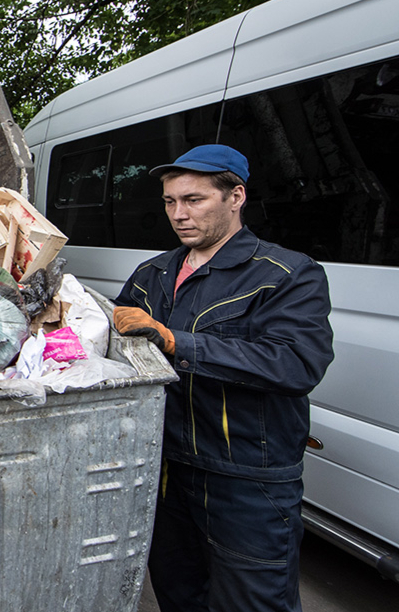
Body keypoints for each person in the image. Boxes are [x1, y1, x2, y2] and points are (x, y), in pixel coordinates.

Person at [112, 145, 334, 612]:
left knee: (253, 601)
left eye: (194, 200)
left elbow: (297, 363)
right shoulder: (152, 273)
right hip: (167, 469)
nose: (179, 214)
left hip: (246, 480)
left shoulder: (286, 274)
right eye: (171, 202)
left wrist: (177, 342)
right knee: (179, 591)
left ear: (236, 197)